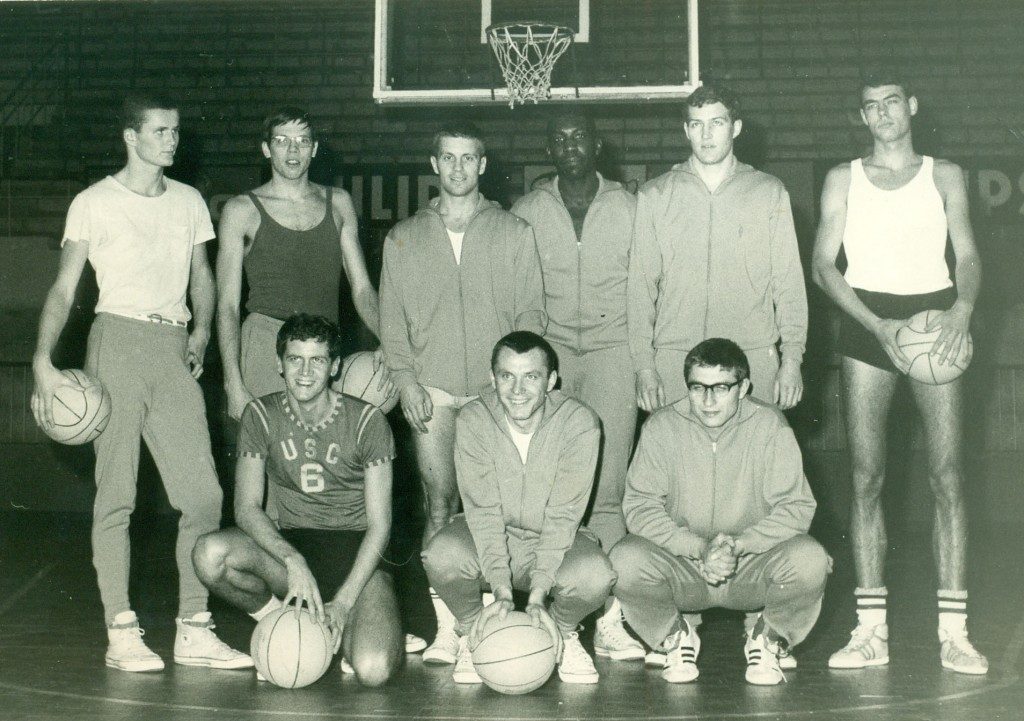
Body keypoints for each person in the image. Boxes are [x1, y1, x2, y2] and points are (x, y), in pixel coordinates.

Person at [30, 94, 250, 672]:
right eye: (160, 131)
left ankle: (194, 628)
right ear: (131, 137)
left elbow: (201, 276)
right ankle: (121, 627)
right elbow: (63, 289)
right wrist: (41, 361)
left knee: (203, 496)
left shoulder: (189, 201)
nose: (172, 140)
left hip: (173, 347)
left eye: (176, 130)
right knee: (118, 495)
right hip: (117, 343)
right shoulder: (93, 203)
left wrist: (201, 331)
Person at [812, 71, 987, 675]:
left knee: (947, 476)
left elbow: (965, 251)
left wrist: (962, 308)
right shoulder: (844, 178)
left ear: (911, 106)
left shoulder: (946, 174)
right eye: (870, 107)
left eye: (892, 102)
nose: (882, 114)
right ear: (860, 117)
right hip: (868, 320)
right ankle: (870, 631)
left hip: (936, 316)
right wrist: (875, 326)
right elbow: (823, 267)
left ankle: (956, 632)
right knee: (865, 477)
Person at [379, 122, 547, 662]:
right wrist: (405, 381)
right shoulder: (404, 236)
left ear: (482, 164)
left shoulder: (514, 231)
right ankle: (452, 626)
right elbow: (392, 320)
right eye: (447, 158)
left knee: (492, 510)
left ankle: (494, 619)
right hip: (432, 390)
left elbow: (531, 315)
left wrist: (514, 385)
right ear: (434, 165)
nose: (457, 168)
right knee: (438, 505)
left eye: (467, 158)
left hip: (495, 394)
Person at [192, 314, 403, 686]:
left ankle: (349, 621)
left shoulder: (367, 421)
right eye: (294, 359)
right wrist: (293, 559)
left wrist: (344, 601)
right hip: (293, 550)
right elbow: (245, 508)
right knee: (210, 554)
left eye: (317, 360)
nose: (305, 372)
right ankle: (284, 618)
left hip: (358, 558)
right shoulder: (259, 414)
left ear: (334, 366)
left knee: (373, 670)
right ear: (279, 363)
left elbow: (380, 525)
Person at [610, 338, 829, 686]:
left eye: (721, 388)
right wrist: (698, 548)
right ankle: (674, 635)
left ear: (743, 388)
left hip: (748, 566)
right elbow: (639, 507)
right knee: (623, 560)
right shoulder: (661, 427)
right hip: (686, 566)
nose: (708, 400)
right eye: (698, 387)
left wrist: (740, 544)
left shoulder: (770, 425)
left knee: (811, 559)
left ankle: (768, 637)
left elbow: (797, 507)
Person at [510, 111, 642, 661]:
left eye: (579, 136)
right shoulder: (528, 211)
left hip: (614, 354)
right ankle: (556, 615)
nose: (569, 146)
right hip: (554, 355)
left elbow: (649, 284)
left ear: (598, 142)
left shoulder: (630, 206)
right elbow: (516, 291)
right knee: (554, 491)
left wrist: (646, 361)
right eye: (558, 139)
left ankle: (611, 620)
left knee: (608, 491)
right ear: (548, 148)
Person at [422, 331, 615, 685]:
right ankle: (475, 631)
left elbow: (563, 518)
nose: (518, 389)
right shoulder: (474, 420)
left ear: (551, 381)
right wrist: (502, 592)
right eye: (507, 376)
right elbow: (483, 513)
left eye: (532, 377)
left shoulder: (579, 423)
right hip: (495, 537)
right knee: (441, 553)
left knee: (595, 575)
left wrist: (538, 598)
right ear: (492, 378)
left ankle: (560, 632)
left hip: (555, 541)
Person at [628, 84, 807, 412]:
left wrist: (792, 360)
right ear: (686, 130)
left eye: (717, 123)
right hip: (675, 358)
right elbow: (639, 290)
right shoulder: (655, 195)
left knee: (755, 462)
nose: (706, 135)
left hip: (752, 357)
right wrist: (644, 366)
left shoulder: (769, 192)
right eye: (697, 124)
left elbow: (789, 284)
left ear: (736, 128)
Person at [216, 107, 391, 423]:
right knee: (271, 460)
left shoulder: (338, 202)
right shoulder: (241, 210)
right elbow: (227, 304)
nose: (293, 150)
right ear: (267, 148)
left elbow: (362, 287)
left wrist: (388, 341)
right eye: (282, 140)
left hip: (323, 344)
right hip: (265, 343)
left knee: (324, 461)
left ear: (315, 149)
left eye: (302, 141)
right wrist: (232, 383)